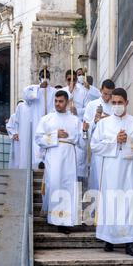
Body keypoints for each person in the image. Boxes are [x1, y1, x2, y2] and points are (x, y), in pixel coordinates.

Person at [91, 88, 133, 257]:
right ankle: (109, 238)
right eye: (113, 103)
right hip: (109, 169)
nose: (116, 106)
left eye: (119, 103)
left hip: (128, 170)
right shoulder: (103, 124)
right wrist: (114, 141)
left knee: (129, 203)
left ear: (126, 103)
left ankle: (130, 242)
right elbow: (94, 145)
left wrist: (128, 141)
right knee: (110, 203)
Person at [35, 90, 83, 234]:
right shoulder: (47, 119)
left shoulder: (75, 120)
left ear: (67, 102)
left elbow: (81, 141)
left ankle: (66, 221)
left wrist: (85, 131)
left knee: (68, 186)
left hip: (69, 155)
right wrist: (56, 135)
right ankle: (54, 218)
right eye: (56, 101)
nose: (57, 104)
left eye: (61, 101)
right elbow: (38, 139)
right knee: (54, 184)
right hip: (54, 155)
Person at [83, 79, 115, 190]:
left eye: (110, 95)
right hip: (98, 145)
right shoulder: (92, 105)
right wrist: (96, 121)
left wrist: (109, 119)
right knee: (97, 178)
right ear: (101, 90)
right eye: (105, 94)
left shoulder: (115, 106)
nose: (107, 97)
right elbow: (85, 126)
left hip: (112, 146)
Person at [23, 69, 56, 168]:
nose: (45, 79)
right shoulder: (34, 89)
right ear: (39, 78)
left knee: (49, 139)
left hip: (49, 121)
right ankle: (38, 163)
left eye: (47, 76)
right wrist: (39, 88)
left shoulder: (53, 91)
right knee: (37, 141)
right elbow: (26, 96)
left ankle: (47, 161)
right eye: (43, 76)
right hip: (37, 120)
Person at [6, 100, 31, 169]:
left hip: (26, 140)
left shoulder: (28, 115)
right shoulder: (13, 116)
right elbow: (9, 126)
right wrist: (14, 134)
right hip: (17, 140)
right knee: (17, 157)